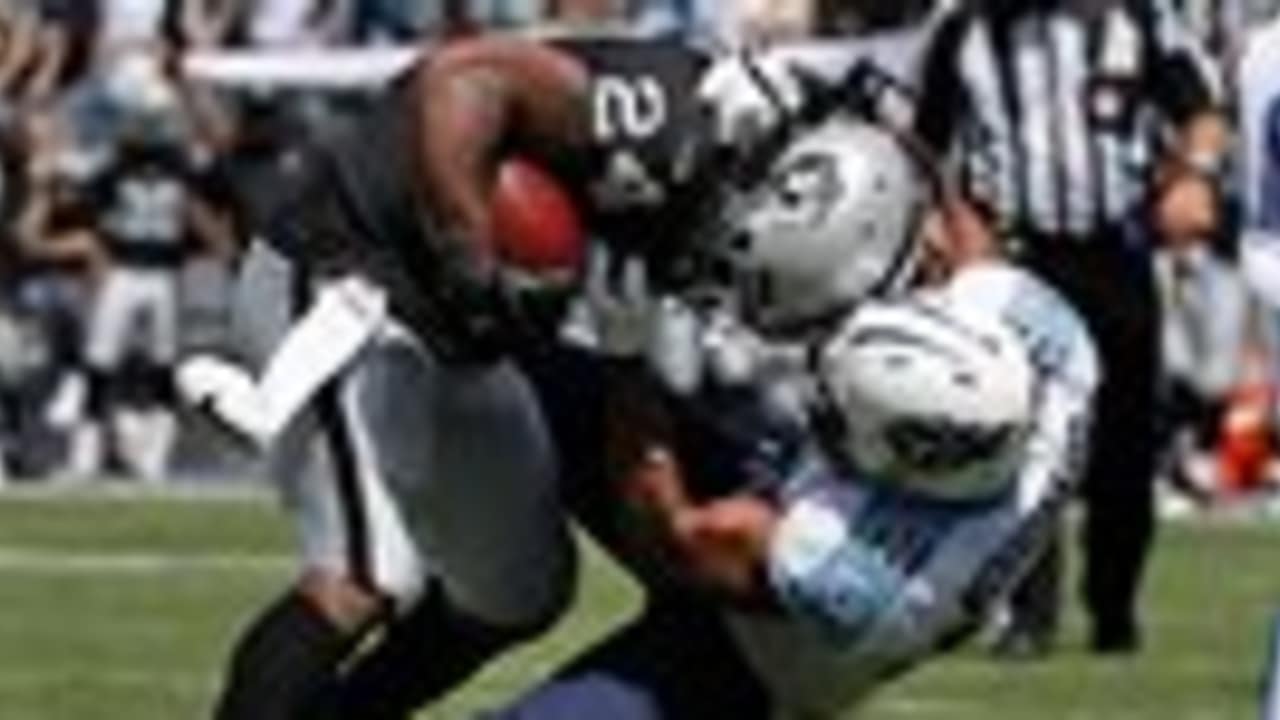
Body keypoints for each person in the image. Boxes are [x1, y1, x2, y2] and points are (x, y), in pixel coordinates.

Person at [175, 29, 721, 720]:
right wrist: (468, 244)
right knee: (366, 575)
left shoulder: (693, 180)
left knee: (516, 592)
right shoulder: (631, 114)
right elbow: (454, 76)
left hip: (463, 339)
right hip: (345, 289)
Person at [491, 113, 1100, 720]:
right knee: (518, 362)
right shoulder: (1046, 341)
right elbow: (959, 222)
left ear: (894, 465)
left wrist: (629, 357)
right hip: (775, 508)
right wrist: (882, 126)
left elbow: (671, 539)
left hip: (750, 661)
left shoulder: (859, 574)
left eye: (837, 417)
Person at [912, 0, 1228, 656]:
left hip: (1117, 252)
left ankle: (1114, 605)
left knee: (1125, 446)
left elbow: (1200, 111)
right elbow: (926, 142)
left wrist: (1194, 177)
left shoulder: (1137, 20)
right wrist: (953, 222)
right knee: (1022, 441)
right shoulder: (965, 29)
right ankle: (1028, 613)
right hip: (1017, 259)